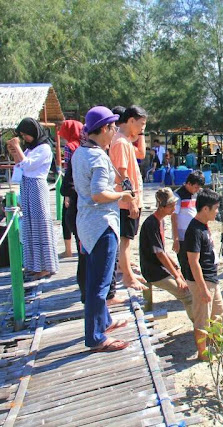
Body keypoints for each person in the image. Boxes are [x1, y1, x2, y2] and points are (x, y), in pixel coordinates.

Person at [72, 106, 137, 351]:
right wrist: (124, 195)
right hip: (102, 225)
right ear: (105, 129)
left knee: (94, 276)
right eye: (112, 127)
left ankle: (104, 321)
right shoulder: (98, 156)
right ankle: (96, 337)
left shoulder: (81, 152)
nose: (114, 132)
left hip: (86, 224)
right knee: (99, 284)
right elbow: (99, 194)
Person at [6, 118, 59, 280]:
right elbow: (20, 166)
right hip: (26, 185)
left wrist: (17, 148)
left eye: (26, 135)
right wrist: (15, 151)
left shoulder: (44, 148)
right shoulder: (30, 149)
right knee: (29, 225)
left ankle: (45, 266)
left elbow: (29, 165)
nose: (25, 138)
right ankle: (34, 265)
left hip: (36, 186)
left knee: (40, 225)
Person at [183, 189, 223, 360]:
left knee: (219, 316)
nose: (217, 212)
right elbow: (193, 262)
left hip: (212, 279)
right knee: (202, 320)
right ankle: (203, 354)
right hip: (203, 281)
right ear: (205, 209)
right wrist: (202, 288)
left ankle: (216, 348)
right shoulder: (194, 230)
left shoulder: (204, 226)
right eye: (215, 208)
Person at [139, 188, 193, 321]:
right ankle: (199, 326)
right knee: (187, 296)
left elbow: (162, 251)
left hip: (160, 267)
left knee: (188, 288)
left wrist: (176, 268)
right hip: (153, 271)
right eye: (171, 206)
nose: (174, 208)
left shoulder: (161, 220)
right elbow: (160, 254)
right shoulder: (152, 223)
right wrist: (177, 277)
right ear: (162, 207)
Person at [110, 105, 147, 291]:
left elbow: (141, 152)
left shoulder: (124, 140)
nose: (142, 129)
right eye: (140, 124)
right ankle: (127, 277)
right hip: (126, 201)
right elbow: (122, 175)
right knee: (125, 240)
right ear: (130, 120)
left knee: (127, 239)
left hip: (130, 198)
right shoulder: (121, 143)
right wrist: (131, 200)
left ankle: (128, 273)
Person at [171, 171, 205, 271]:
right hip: (183, 237)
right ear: (189, 184)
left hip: (196, 235)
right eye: (196, 187)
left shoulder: (196, 195)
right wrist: (176, 239)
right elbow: (174, 218)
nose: (197, 190)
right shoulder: (177, 195)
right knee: (185, 265)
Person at [59, 120, 83, 258]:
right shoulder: (85, 145)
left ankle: (68, 250)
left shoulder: (69, 147)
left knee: (67, 219)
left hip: (71, 187)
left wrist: (67, 193)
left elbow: (68, 168)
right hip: (82, 188)